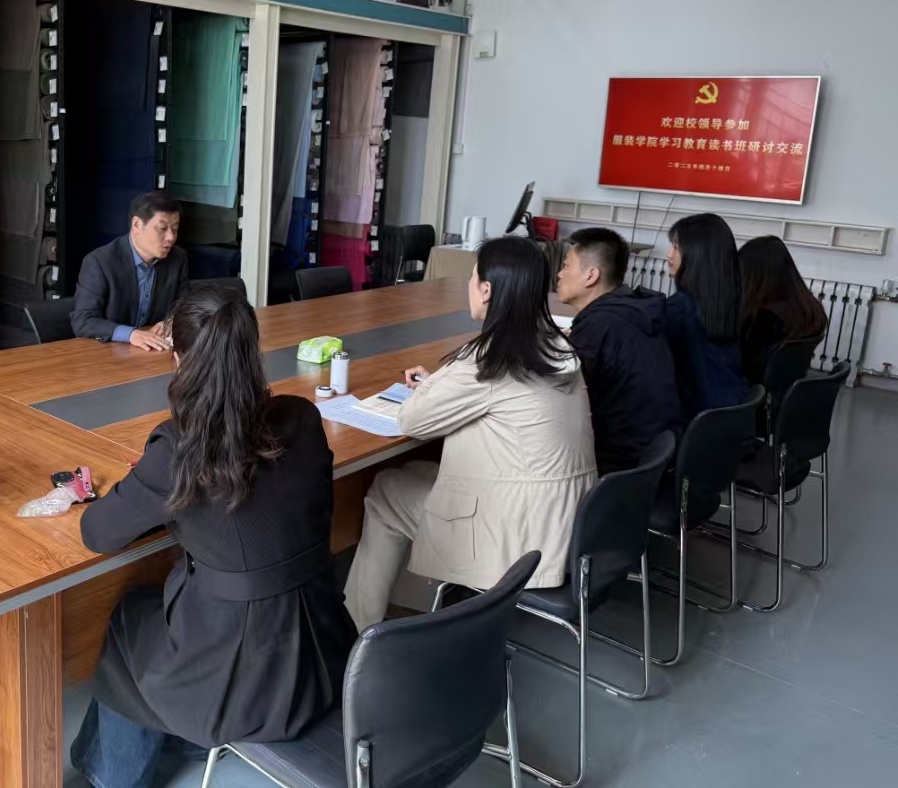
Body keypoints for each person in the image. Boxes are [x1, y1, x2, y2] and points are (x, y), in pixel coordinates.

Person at [71, 285, 356, 788]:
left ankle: (110, 776)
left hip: (239, 681)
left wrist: (141, 483)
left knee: (129, 620)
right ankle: (173, 739)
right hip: (322, 652)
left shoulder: (180, 448)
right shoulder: (303, 418)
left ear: (179, 359)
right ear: (253, 351)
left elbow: (98, 532)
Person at [343, 236, 597, 631]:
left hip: (513, 541)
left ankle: (360, 631)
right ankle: (415, 610)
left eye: (473, 276)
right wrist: (442, 383)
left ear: (487, 290)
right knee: (412, 473)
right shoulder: (556, 347)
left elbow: (411, 420)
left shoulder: (489, 362)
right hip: (564, 529)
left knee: (385, 490)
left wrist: (433, 385)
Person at [557, 228, 680, 474]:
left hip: (617, 466)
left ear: (591, 275)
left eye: (566, 266)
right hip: (653, 457)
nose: (560, 274)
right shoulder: (632, 310)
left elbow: (559, 393)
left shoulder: (601, 326)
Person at [71, 191, 189, 352]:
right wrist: (130, 334)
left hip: (155, 350)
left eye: (175, 229)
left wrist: (171, 321)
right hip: (107, 353)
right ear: (137, 225)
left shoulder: (178, 258)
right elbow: (83, 321)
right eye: (162, 228)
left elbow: (184, 304)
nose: (171, 237)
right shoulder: (100, 262)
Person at [664, 213, 748, 420]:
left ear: (697, 254)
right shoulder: (728, 303)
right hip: (732, 416)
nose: (668, 254)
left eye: (676, 247)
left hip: (696, 423)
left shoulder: (680, 309)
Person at [738, 235, 828, 385]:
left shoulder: (765, 317)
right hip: (782, 390)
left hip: (750, 391)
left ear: (755, 276)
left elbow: (743, 364)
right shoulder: (808, 309)